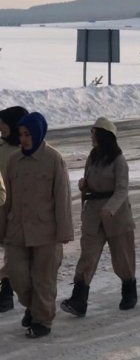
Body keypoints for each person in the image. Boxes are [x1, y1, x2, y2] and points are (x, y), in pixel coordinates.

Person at [2, 112, 73, 338]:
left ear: (39, 134)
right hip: (17, 229)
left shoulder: (54, 159)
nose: (23, 139)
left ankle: (43, 320)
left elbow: (62, 198)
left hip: (46, 231)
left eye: (28, 134)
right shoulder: (13, 161)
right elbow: (5, 200)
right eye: (21, 134)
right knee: (16, 273)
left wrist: (64, 231)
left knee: (43, 278)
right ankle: (33, 307)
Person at [61, 117, 137, 317]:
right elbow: (90, 180)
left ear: (104, 136)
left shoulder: (119, 160)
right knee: (88, 256)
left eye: (94, 134)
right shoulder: (93, 156)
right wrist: (84, 185)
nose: (91, 138)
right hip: (94, 213)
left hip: (117, 215)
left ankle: (129, 291)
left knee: (123, 255)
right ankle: (79, 300)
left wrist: (110, 208)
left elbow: (122, 189)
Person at [0, 106, 29, 313]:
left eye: (3, 123)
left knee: (13, 252)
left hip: (18, 210)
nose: (0, 127)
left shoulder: (26, 152)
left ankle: (7, 291)